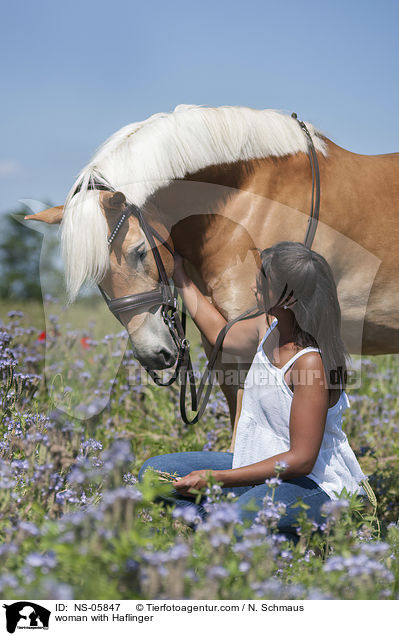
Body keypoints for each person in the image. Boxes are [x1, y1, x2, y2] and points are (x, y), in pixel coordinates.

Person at [138, 241, 366, 542]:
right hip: (257, 466)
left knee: (240, 514)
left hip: (313, 484)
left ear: (287, 297)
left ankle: (255, 534)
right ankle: (247, 534)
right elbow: (221, 334)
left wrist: (214, 478)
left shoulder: (309, 363)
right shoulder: (268, 326)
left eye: (262, 282)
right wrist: (180, 275)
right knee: (153, 474)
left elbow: (301, 461)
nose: (254, 288)